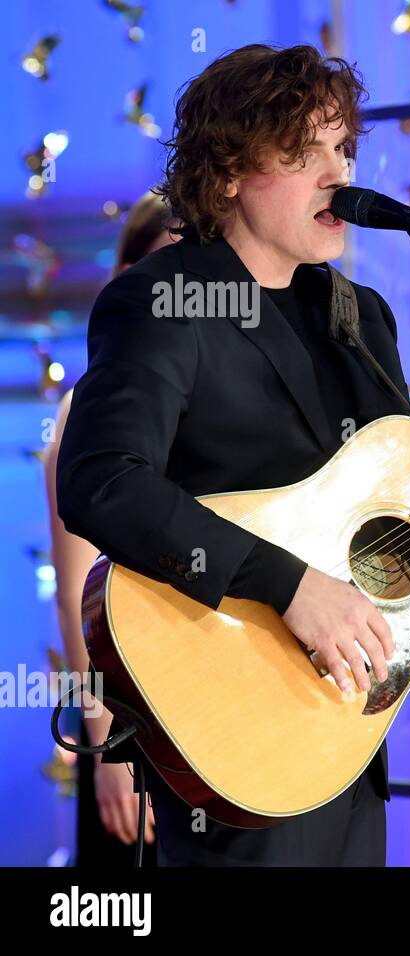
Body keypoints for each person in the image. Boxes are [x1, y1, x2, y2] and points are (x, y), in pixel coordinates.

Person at [55, 43, 410, 866]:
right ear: (225, 174)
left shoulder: (361, 318)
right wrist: (288, 586)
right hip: (230, 726)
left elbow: (394, 561)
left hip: (343, 738)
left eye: (345, 150)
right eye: (304, 153)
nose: (339, 175)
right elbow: (100, 483)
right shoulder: (163, 297)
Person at [42, 190, 177, 866]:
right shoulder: (87, 407)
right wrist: (104, 748)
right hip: (129, 717)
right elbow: (75, 598)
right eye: (164, 267)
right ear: (129, 278)